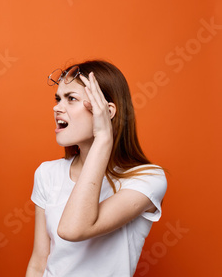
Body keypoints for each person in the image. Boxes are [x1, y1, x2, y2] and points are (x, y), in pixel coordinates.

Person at [26, 60, 167, 276]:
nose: (57, 107)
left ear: (107, 111)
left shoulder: (147, 179)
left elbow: (73, 229)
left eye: (71, 99)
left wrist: (103, 137)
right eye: (58, 99)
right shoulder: (47, 173)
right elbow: (38, 262)